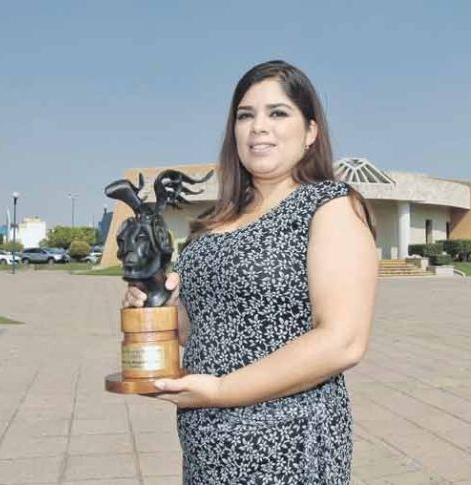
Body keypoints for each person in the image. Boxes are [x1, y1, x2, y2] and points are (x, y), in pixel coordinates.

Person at [122, 59, 378, 484]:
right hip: (208, 443)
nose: (259, 127)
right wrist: (156, 304)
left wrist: (222, 391)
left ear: (311, 132)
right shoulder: (213, 223)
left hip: (287, 443)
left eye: (278, 113)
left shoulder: (329, 207)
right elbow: (195, 328)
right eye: (246, 115)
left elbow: (343, 341)